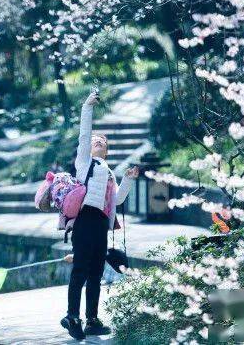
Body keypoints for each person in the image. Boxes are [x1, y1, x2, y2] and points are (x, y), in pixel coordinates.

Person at [61, 88, 139, 341]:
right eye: (95, 141)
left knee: (95, 272)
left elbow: (117, 200)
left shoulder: (108, 172)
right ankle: (73, 316)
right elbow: (84, 134)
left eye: (102, 143)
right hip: (84, 220)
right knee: (81, 270)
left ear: (107, 152)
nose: (97, 142)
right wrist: (87, 107)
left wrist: (127, 180)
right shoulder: (84, 163)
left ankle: (92, 320)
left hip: (101, 225)